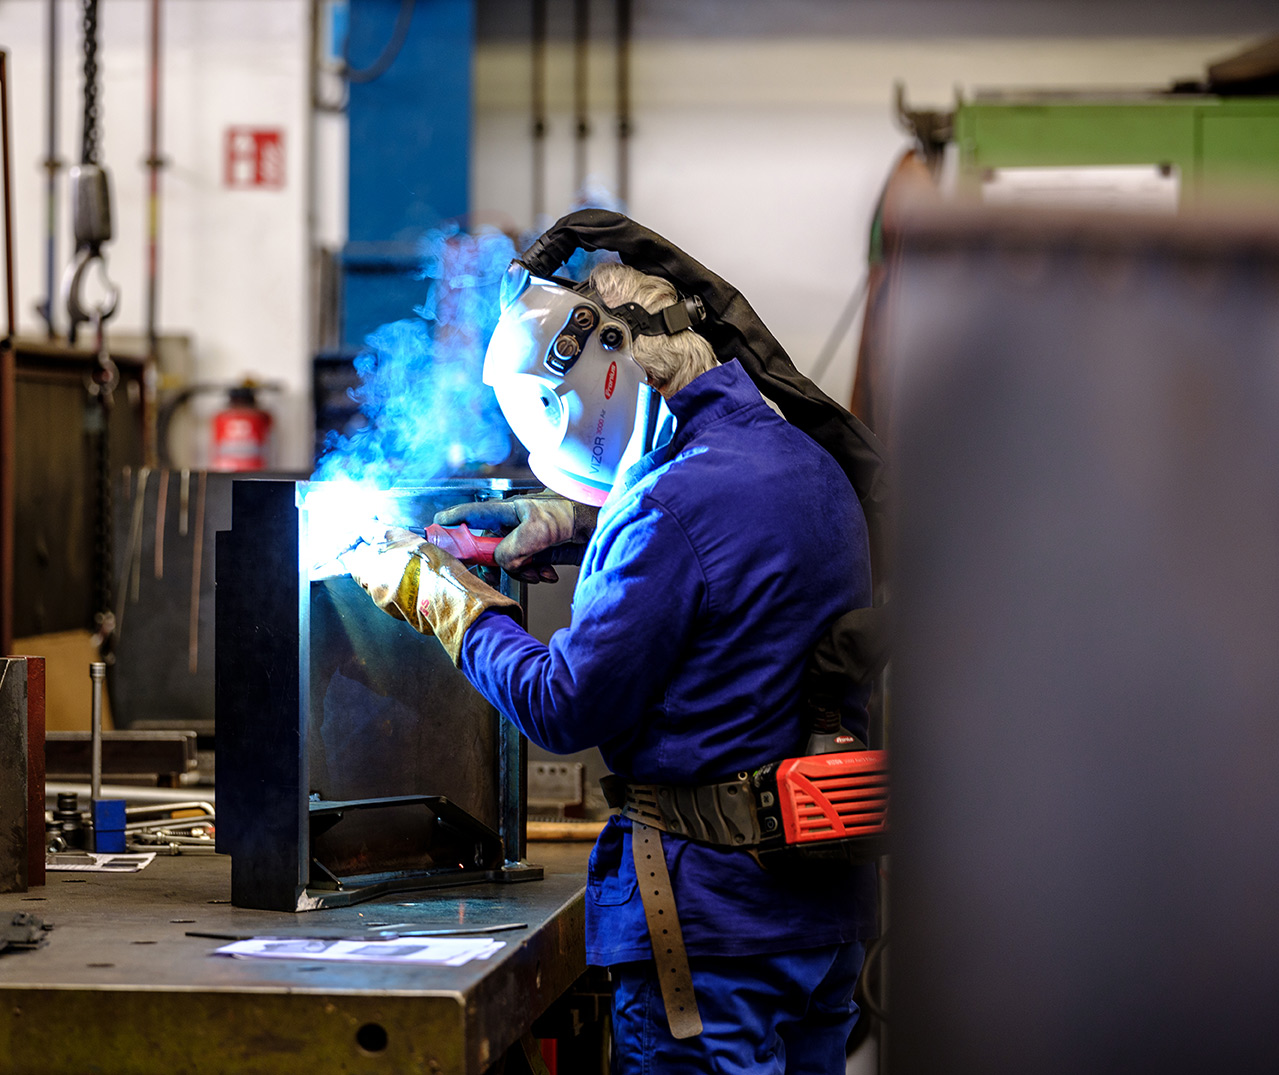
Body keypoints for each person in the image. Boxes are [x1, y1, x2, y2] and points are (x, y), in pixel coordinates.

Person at [343, 214, 881, 1074]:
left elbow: (566, 703)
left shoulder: (668, 507)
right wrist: (559, 526)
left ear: (605, 367)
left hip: (709, 932)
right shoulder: (800, 461)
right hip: (818, 924)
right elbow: (729, 565)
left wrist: (447, 601)